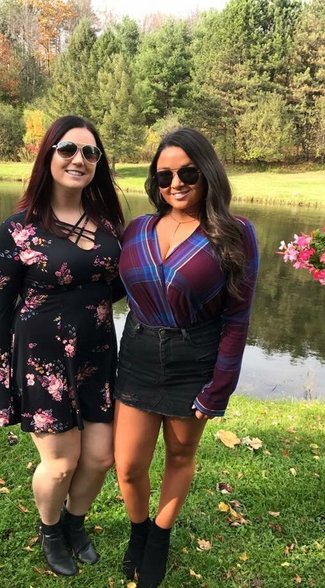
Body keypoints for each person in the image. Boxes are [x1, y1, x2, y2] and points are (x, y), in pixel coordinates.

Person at [114, 128, 259, 587]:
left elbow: (237, 319)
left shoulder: (235, 234)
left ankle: (159, 537)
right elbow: (107, 288)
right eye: (164, 176)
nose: (175, 183)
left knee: (179, 455)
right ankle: (139, 530)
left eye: (187, 173)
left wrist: (220, 387)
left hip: (194, 359)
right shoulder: (136, 229)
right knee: (128, 466)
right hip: (137, 356)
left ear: (208, 172)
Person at [0, 115, 125, 577]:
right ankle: (50, 531)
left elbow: (115, 286)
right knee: (61, 463)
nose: (78, 159)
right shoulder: (17, 231)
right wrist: (0, 384)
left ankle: (74, 523)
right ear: (47, 156)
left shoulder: (109, 226)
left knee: (101, 457)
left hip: (98, 356)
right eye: (67, 149)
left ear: (98, 163)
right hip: (41, 363)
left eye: (90, 152)